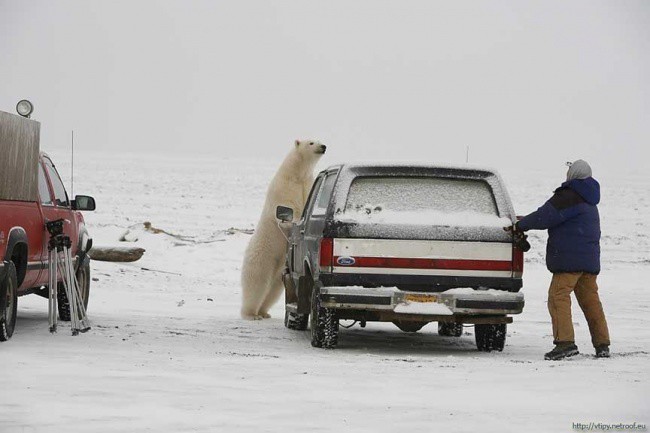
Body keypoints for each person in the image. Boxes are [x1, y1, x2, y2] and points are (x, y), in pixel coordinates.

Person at [513, 159, 610, 360]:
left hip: (569, 261)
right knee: (591, 302)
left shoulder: (569, 195)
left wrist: (521, 225)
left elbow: (544, 216)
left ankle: (565, 343)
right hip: (588, 261)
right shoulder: (589, 198)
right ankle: (602, 344)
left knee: (558, 297)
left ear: (573, 174)